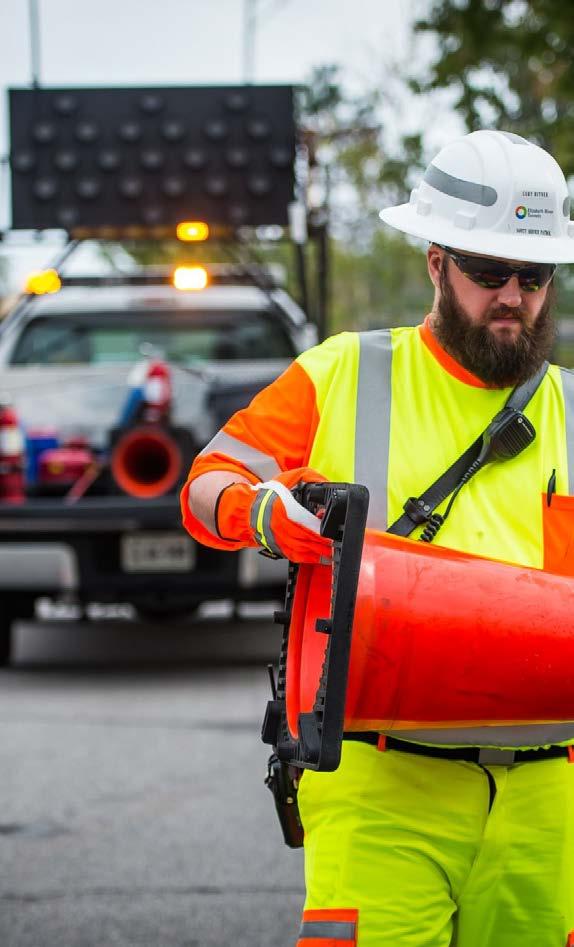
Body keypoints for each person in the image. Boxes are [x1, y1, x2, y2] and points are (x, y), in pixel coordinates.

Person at [180, 129, 574, 947]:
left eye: (533, 276)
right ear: (436, 263)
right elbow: (208, 481)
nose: (513, 297)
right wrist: (260, 510)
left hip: (550, 803)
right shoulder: (345, 373)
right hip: (382, 784)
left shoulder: (573, 408)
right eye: (487, 272)